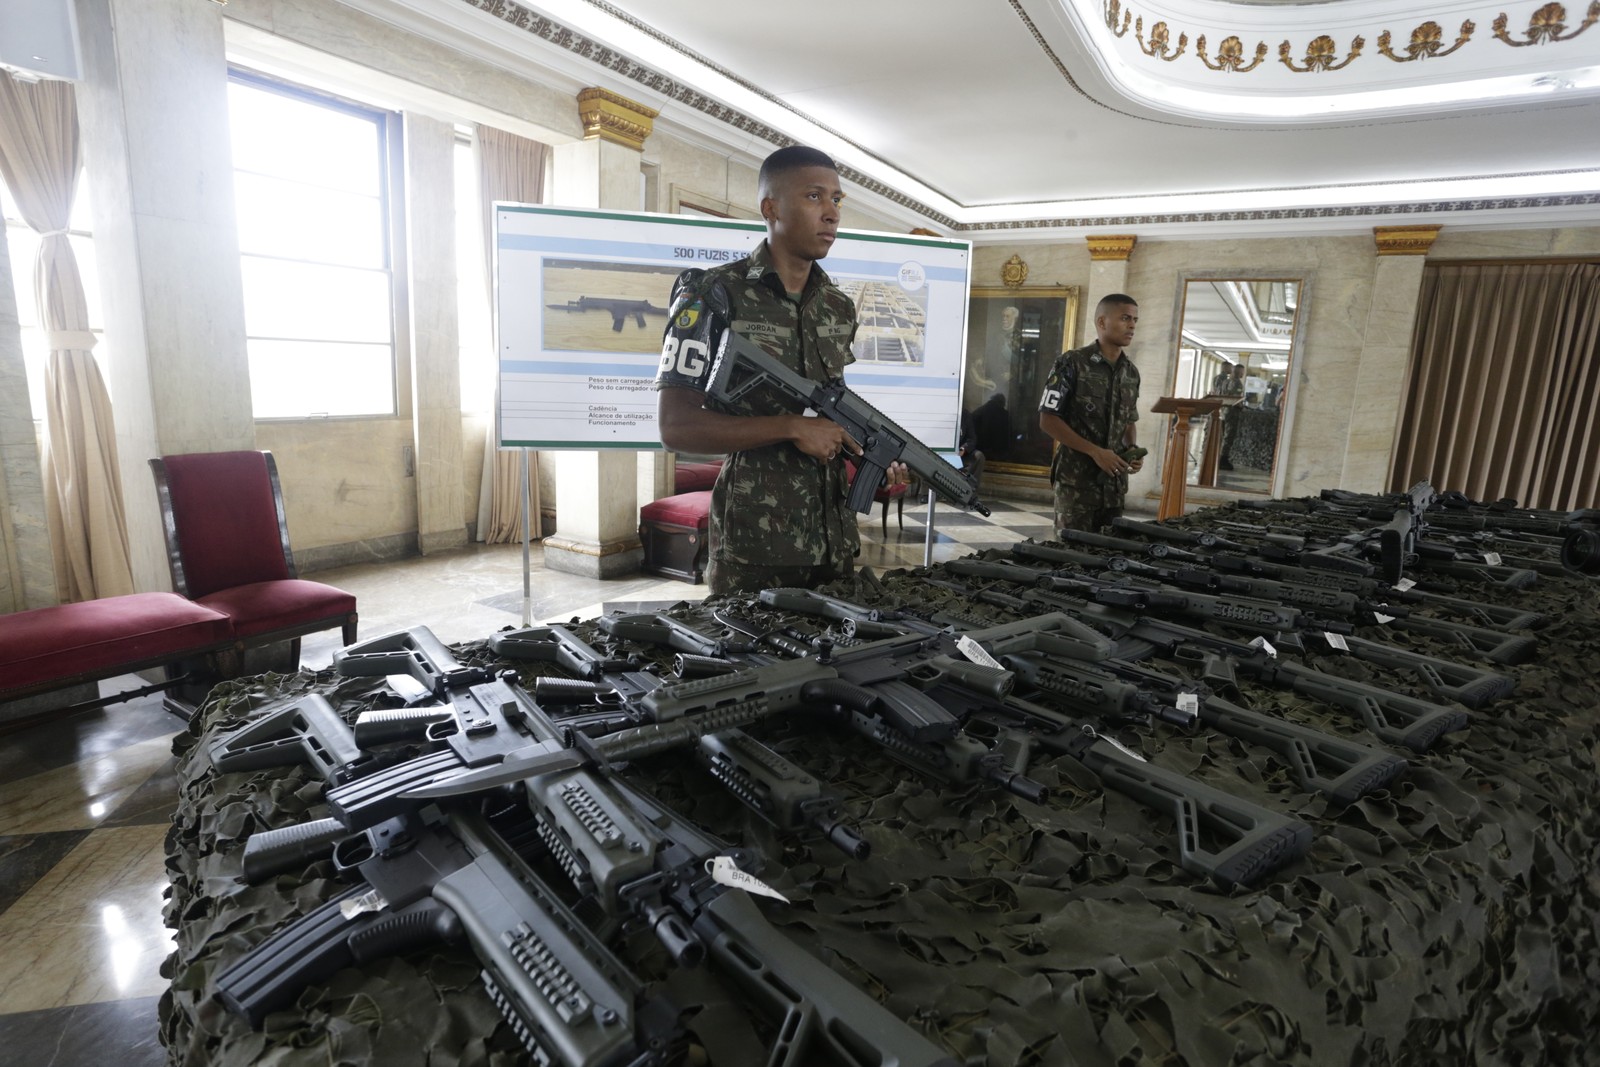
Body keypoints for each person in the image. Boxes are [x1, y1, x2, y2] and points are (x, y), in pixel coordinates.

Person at [655, 145, 904, 595]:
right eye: (814, 197)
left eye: (837, 200)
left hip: (833, 538)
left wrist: (868, 452)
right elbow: (676, 428)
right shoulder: (712, 294)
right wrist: (790, 427)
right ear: (770, 208)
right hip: (755, 542)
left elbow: (832, 412)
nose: (831, 213)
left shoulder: (838, 306)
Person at [1037, 294, 1142, 534]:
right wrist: (1095, 452)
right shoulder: (1072, 363)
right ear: (1102, 322)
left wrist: (1132, 449)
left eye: (1135, 319)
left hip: (1113, 485)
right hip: (1077, 484)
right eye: (1125, 318)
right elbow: (1048, 419)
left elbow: (1129, 421)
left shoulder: (1131, 372)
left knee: (1105, 556)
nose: (1132, 325)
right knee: (1070, 556)